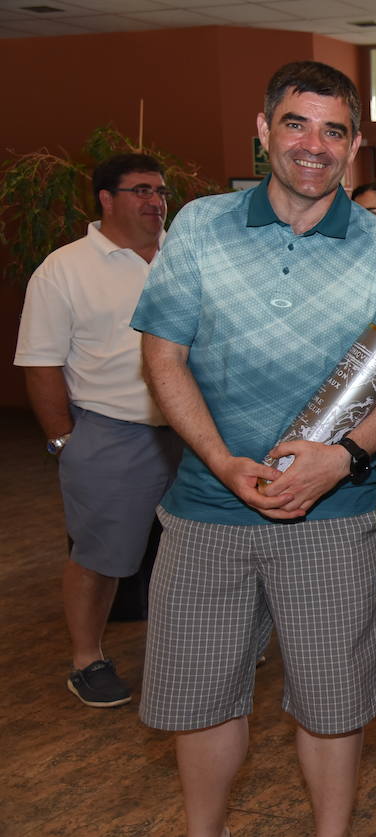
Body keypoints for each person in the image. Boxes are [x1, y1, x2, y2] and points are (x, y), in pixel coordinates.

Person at [131, 60, 376, 837]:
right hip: (205, 509)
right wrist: (219, 460)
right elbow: (163, 355)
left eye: (333, 130)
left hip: (332, 516)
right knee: (199, 701)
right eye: (296, 124)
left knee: (334, 706)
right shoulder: (200, 225)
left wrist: (345, 459)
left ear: (355, 144)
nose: (313, 145)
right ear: (264, 128)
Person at [14, 153, 184, 708]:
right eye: (139, 190)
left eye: (159, 190)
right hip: (112, 433)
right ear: (105, 198)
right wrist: (66, 440)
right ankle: (87, 659)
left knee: (205, 547)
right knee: (101, 555)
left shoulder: (185, 257)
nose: (155, 201)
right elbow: (40, 364)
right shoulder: (63, 270)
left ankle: (204, 645)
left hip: (193, 432)